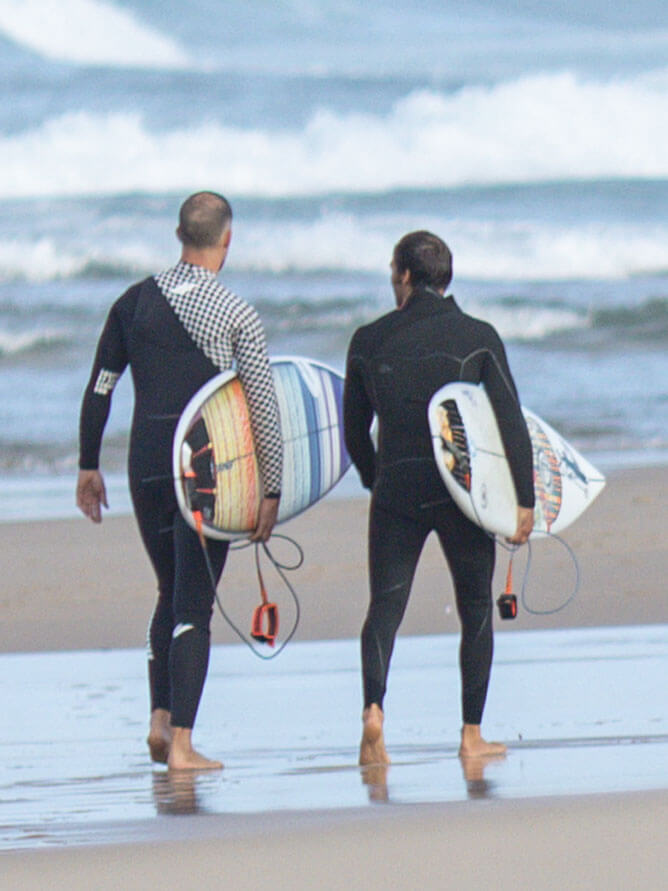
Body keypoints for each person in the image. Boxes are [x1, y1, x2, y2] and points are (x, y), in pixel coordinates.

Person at [76, 192, 282, 771]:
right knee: (194, 600)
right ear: (228, 239)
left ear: (177, 233)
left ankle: (159, 723)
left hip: (144, 465)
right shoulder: (236, 312)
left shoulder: (133, 302)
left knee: (169, 589)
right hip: (204, 469)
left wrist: (88, 464)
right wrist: (271, 489)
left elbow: (100, 386)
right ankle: (184, 747)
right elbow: (262, 405)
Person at [343, 230, 534, 769]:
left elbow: (354, 427)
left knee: (385, 605)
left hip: (396, 486)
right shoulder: (479, 336)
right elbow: (509, 422)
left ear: (404, 276)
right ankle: (472, 734)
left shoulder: (368, 338)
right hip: (462, 490)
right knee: (475, 607)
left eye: (392, 272)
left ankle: (374, 710)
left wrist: (372, 476)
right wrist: (523, 499)